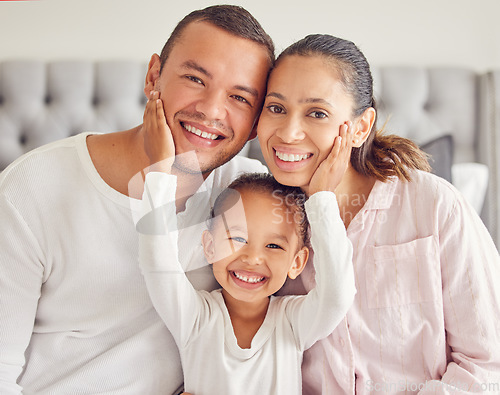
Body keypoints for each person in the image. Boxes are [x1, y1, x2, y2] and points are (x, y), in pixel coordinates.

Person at [0, 5, 274, 394]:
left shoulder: (251, 198)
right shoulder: (33, 186)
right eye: (195, 78)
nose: (212, 110)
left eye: (240, 98)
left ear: (255, 124)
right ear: (153, 77)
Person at [256, 34, 500, 393]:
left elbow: (487, 365)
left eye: (317, 113)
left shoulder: (433, 205)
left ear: (361, 127)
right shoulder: (258, 216)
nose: (289, 133)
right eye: (276, 108)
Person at [136, 165, 355, 392]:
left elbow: (337, 295)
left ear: (297, 263)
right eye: (237, 239)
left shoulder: (291, 322)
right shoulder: (195, 317)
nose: (253, 258)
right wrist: (160, 173)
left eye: (273, 245)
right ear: (210, 246)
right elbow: (158, 262)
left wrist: (321, 199)